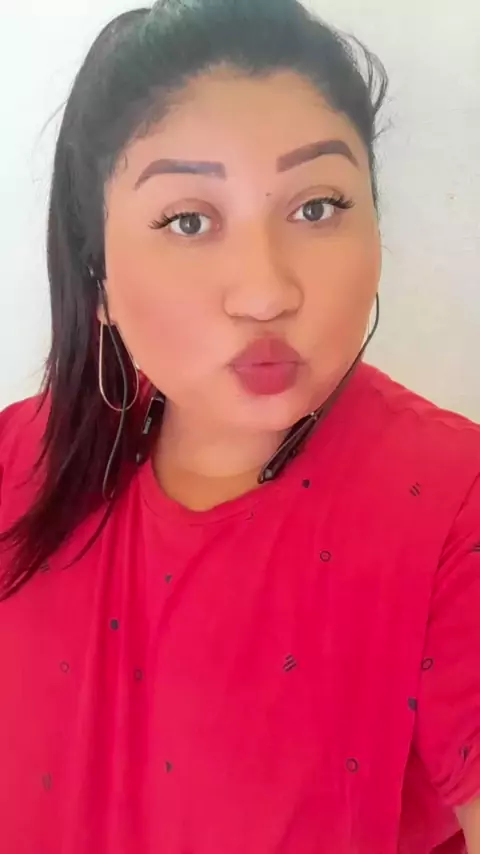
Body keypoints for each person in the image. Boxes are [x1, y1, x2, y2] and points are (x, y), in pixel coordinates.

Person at [0, 0, 479, 851]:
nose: (265, 292)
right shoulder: (12, 465)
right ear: (95, 274)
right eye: (188, 220)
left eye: (317, 207)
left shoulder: (452, 503)